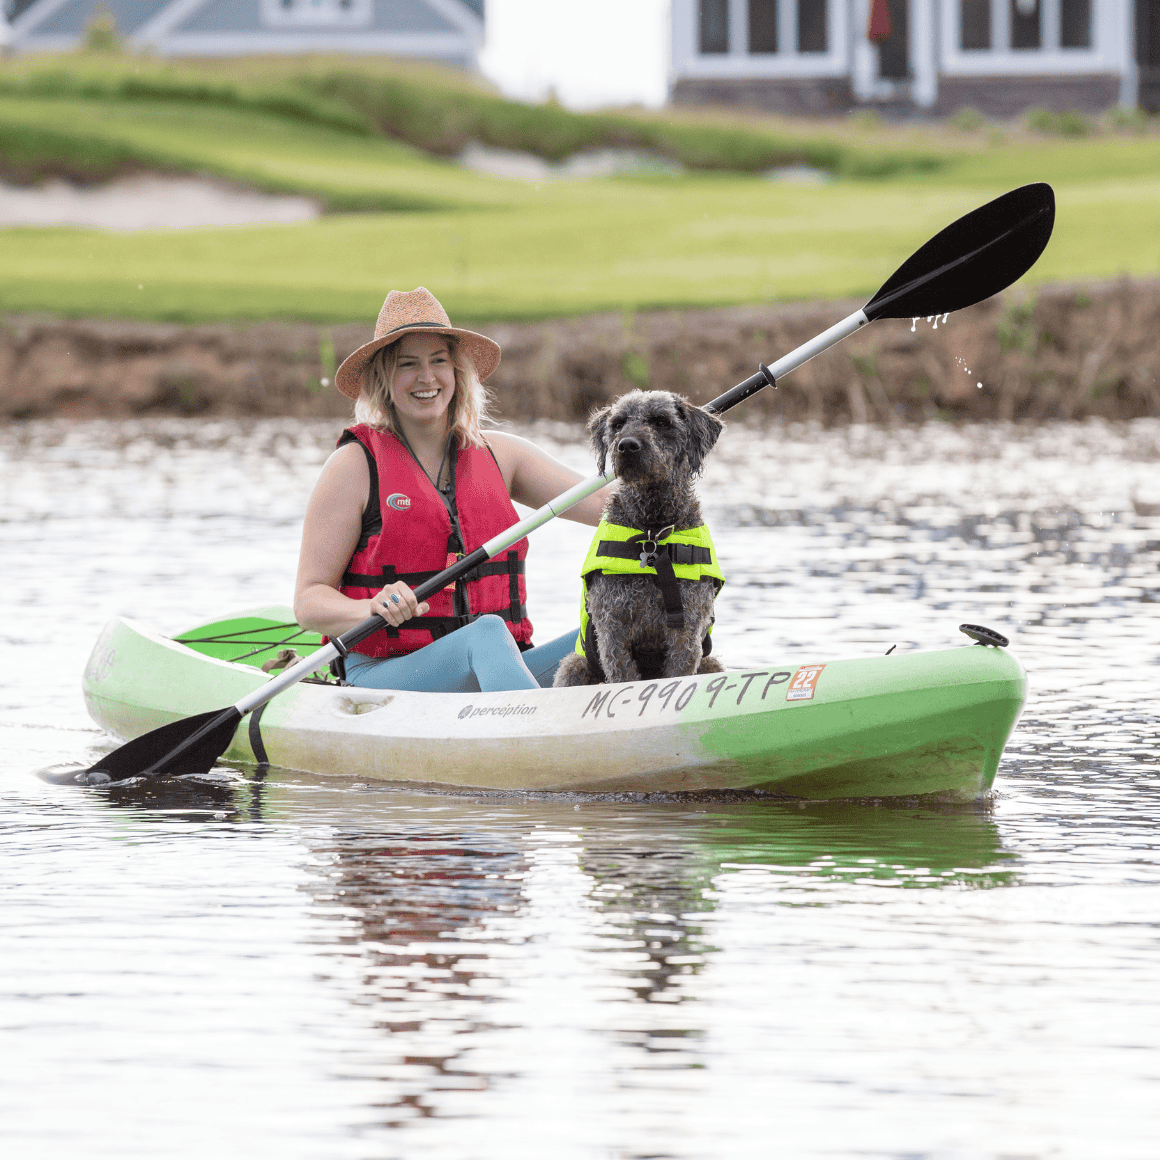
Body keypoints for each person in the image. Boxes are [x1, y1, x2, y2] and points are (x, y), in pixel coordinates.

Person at [294, 287, 610, 692]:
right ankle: (540, 741)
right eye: (408, 364)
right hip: (385, 676)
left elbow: (605, 504)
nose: (427, 378)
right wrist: (369, 607)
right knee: (486, 634)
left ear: (457, 372)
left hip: (493, 671)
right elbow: (308, 602)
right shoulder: (353, 467)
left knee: (606, 633)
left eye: (438, 361)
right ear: (382, 379)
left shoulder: (503, 454)